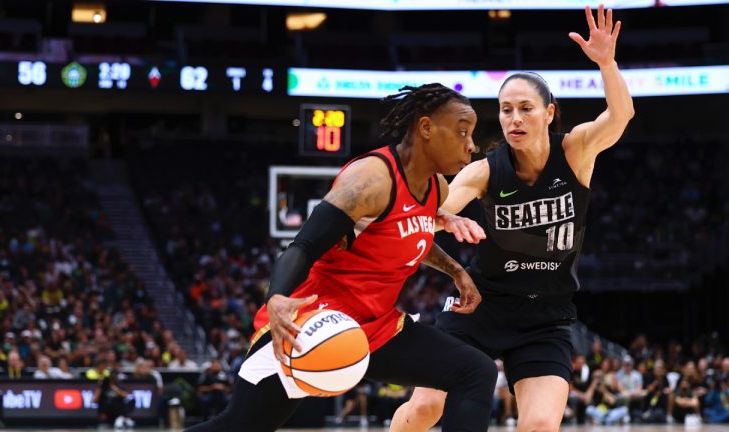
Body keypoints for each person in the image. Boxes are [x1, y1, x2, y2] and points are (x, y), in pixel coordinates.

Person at [185, 83, 497, 432]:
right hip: (319, 321)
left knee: (475, 371)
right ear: (425, 128)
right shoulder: (370, 179)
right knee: (239, 426)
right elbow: (303, 245)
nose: (471, 145)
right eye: (462, 132)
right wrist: (277, 297)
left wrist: (455, 270)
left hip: (377, 327)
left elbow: (410, 236)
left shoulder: (436, 187)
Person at [390, 5, 634, 432]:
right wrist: (442, 218)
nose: (514, 118)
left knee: (540, 423)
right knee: (427, 407)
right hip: (481, 306)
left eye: (525, 108)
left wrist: (607, 64)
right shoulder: (486, 169)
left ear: (549, 113)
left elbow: (620, 117)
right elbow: (440, 204)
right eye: (505, 110)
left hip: (545, 317)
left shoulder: (575, 152)